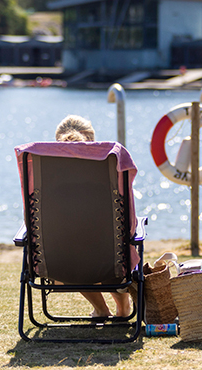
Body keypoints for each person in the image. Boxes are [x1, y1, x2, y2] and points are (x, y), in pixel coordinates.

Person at [53, 114, 132, 318]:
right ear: (92, 140)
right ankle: (123, 309)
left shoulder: (46, 170)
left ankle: (100, 309)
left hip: (60, 262)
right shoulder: (109, 163)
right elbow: (126, 216)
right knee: (110, 249)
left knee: (72, 249)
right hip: (110, 257)